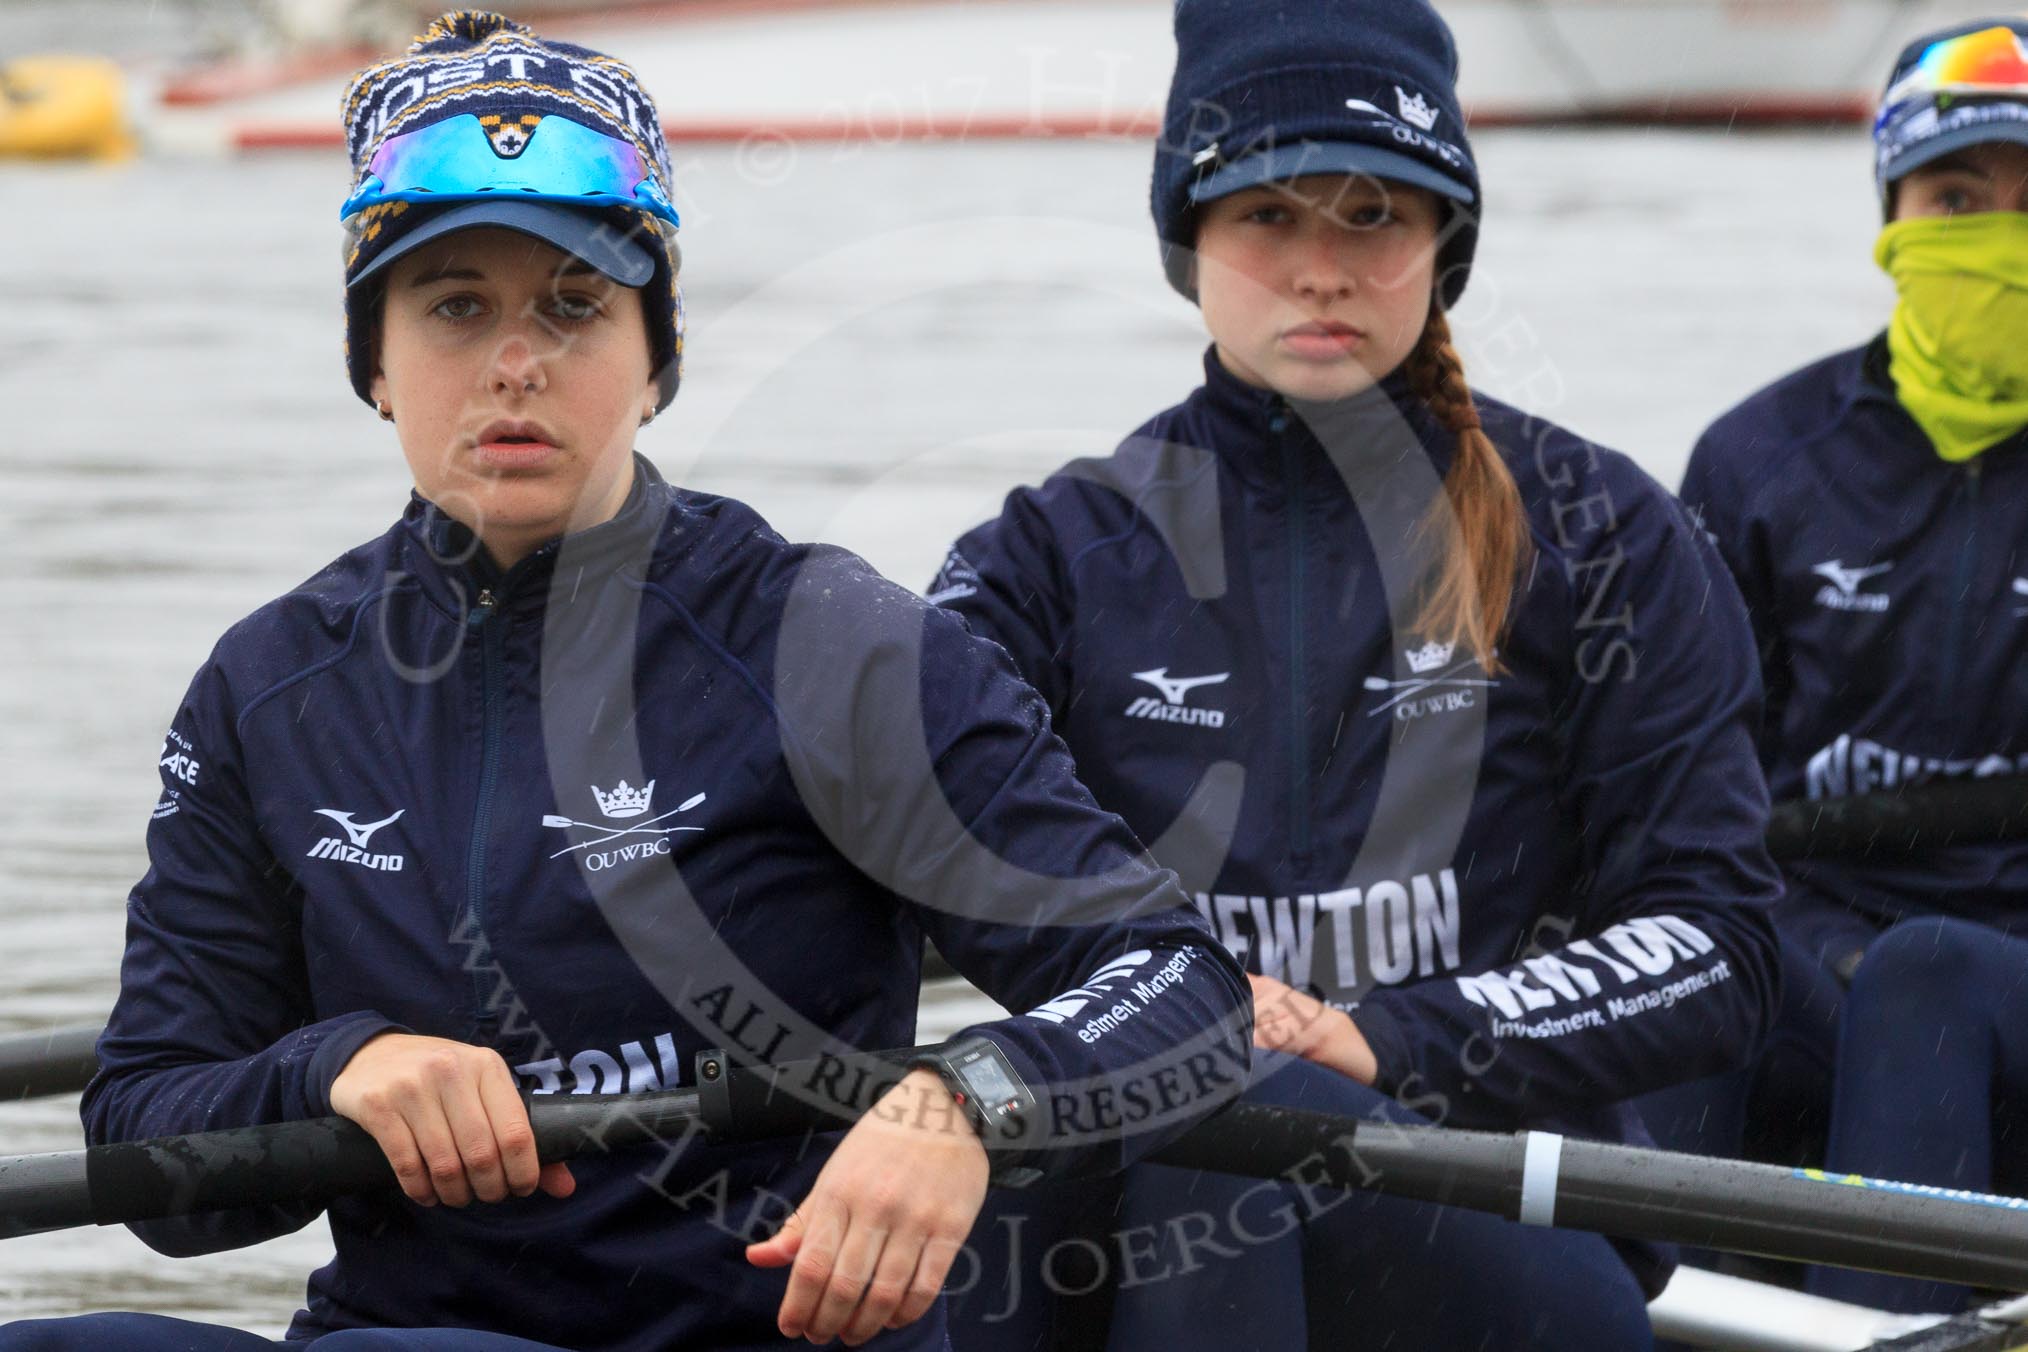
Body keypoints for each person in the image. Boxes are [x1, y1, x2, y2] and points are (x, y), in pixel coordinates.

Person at [0, 13, 1252, 1351]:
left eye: (577, 305)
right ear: (374, 364)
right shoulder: (271, 686)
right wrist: (341, 1066)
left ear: (657, 362)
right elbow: (146, 1135)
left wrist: (971, 1096)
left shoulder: (831, 643)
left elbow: (1181, 987)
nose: (517, 361)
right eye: (455, 306)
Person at [928, 1, 1783, 1347]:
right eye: (1269, 215)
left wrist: (1383, 1037)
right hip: (1153, 1204)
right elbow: (899, 844)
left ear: (1444, 245)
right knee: (1183, 1078)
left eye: (1372, 215)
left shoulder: (1600, 531)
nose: (1319, 268)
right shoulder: (1050, 556)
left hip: (1496, 1223)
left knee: (1224, 1083)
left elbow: (1717, 952)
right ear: (1188, 242)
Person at [1646, 17, 2028, 1315]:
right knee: (1688, 958)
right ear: (1895, 217)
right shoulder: (1759, 463)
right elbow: (1683, 803)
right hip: (1833, 963)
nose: (1999, 235)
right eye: (1960, 199)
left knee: (1931, 973)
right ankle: (1642, 1309)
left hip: (1986, 984)